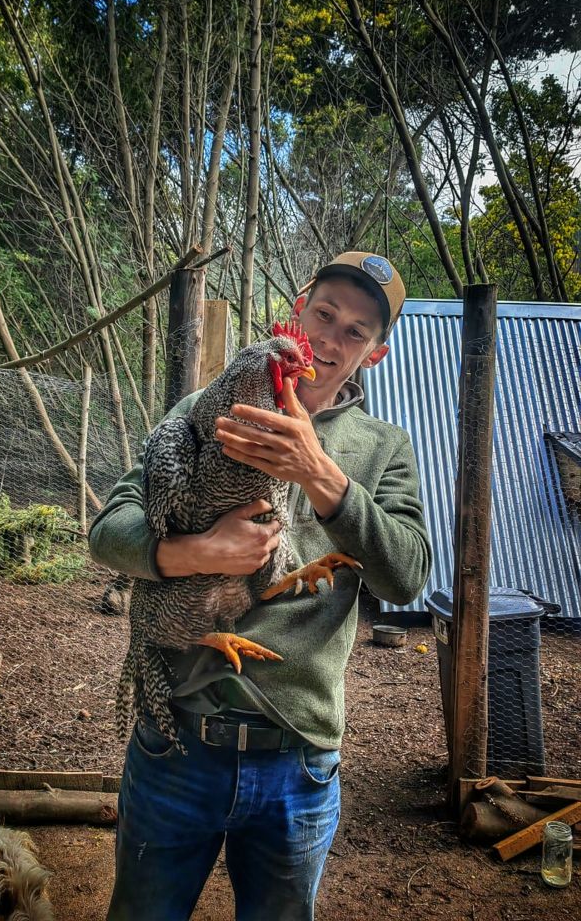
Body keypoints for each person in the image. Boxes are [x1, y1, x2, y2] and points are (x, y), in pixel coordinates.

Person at [89, 251, 432, 921]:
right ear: (298, 309)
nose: (332, 339)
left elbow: (408, 574)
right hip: (178, 745)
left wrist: (319, 473)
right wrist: (197, 551)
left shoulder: (382, 446)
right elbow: (109, 531)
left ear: (375, 354)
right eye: (325, 314)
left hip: (297, 764)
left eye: (355, 332)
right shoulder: (203, 410)